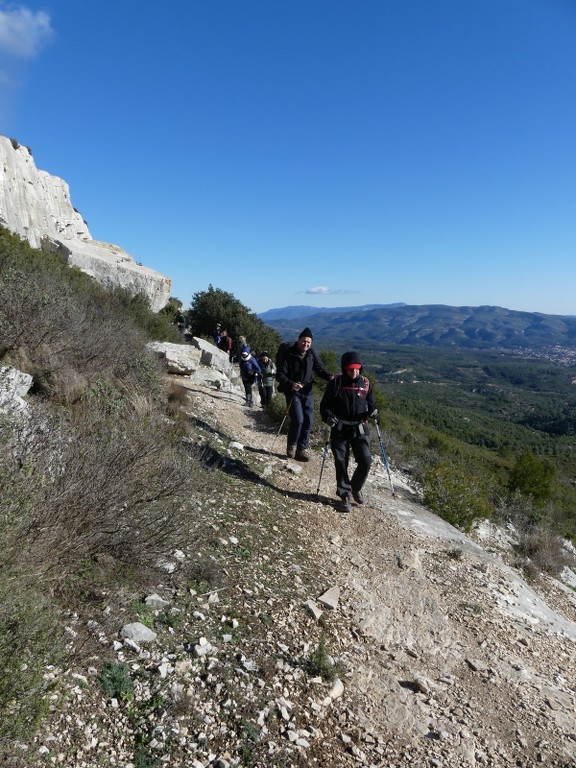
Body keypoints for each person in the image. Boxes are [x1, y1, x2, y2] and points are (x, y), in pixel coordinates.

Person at [320, 351, 378, 513]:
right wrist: (329, 418)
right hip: (340, 428)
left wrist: (374, 413)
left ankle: (355, 487)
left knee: (366, 460)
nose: (354, 372)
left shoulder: (366, 384)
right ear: (344, 368)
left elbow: (371, 405)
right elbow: (325, 406)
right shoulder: (336, 384)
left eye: (357, 369)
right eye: (351, 369)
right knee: (341, 461)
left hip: (359, 428)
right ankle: (344, 495)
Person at [275, 327, 333, 461]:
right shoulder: (288, 352)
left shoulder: (311, 353)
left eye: (308, 342)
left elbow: (319, 369)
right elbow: (280, 374)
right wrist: (291, 384)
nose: (306, 344)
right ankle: (292, 446)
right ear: (298, 340)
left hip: (308, 391)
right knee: (298, 420)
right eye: (304, 341)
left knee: (308, 421)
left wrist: (329, 376)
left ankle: (301, 449)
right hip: (292, 391)